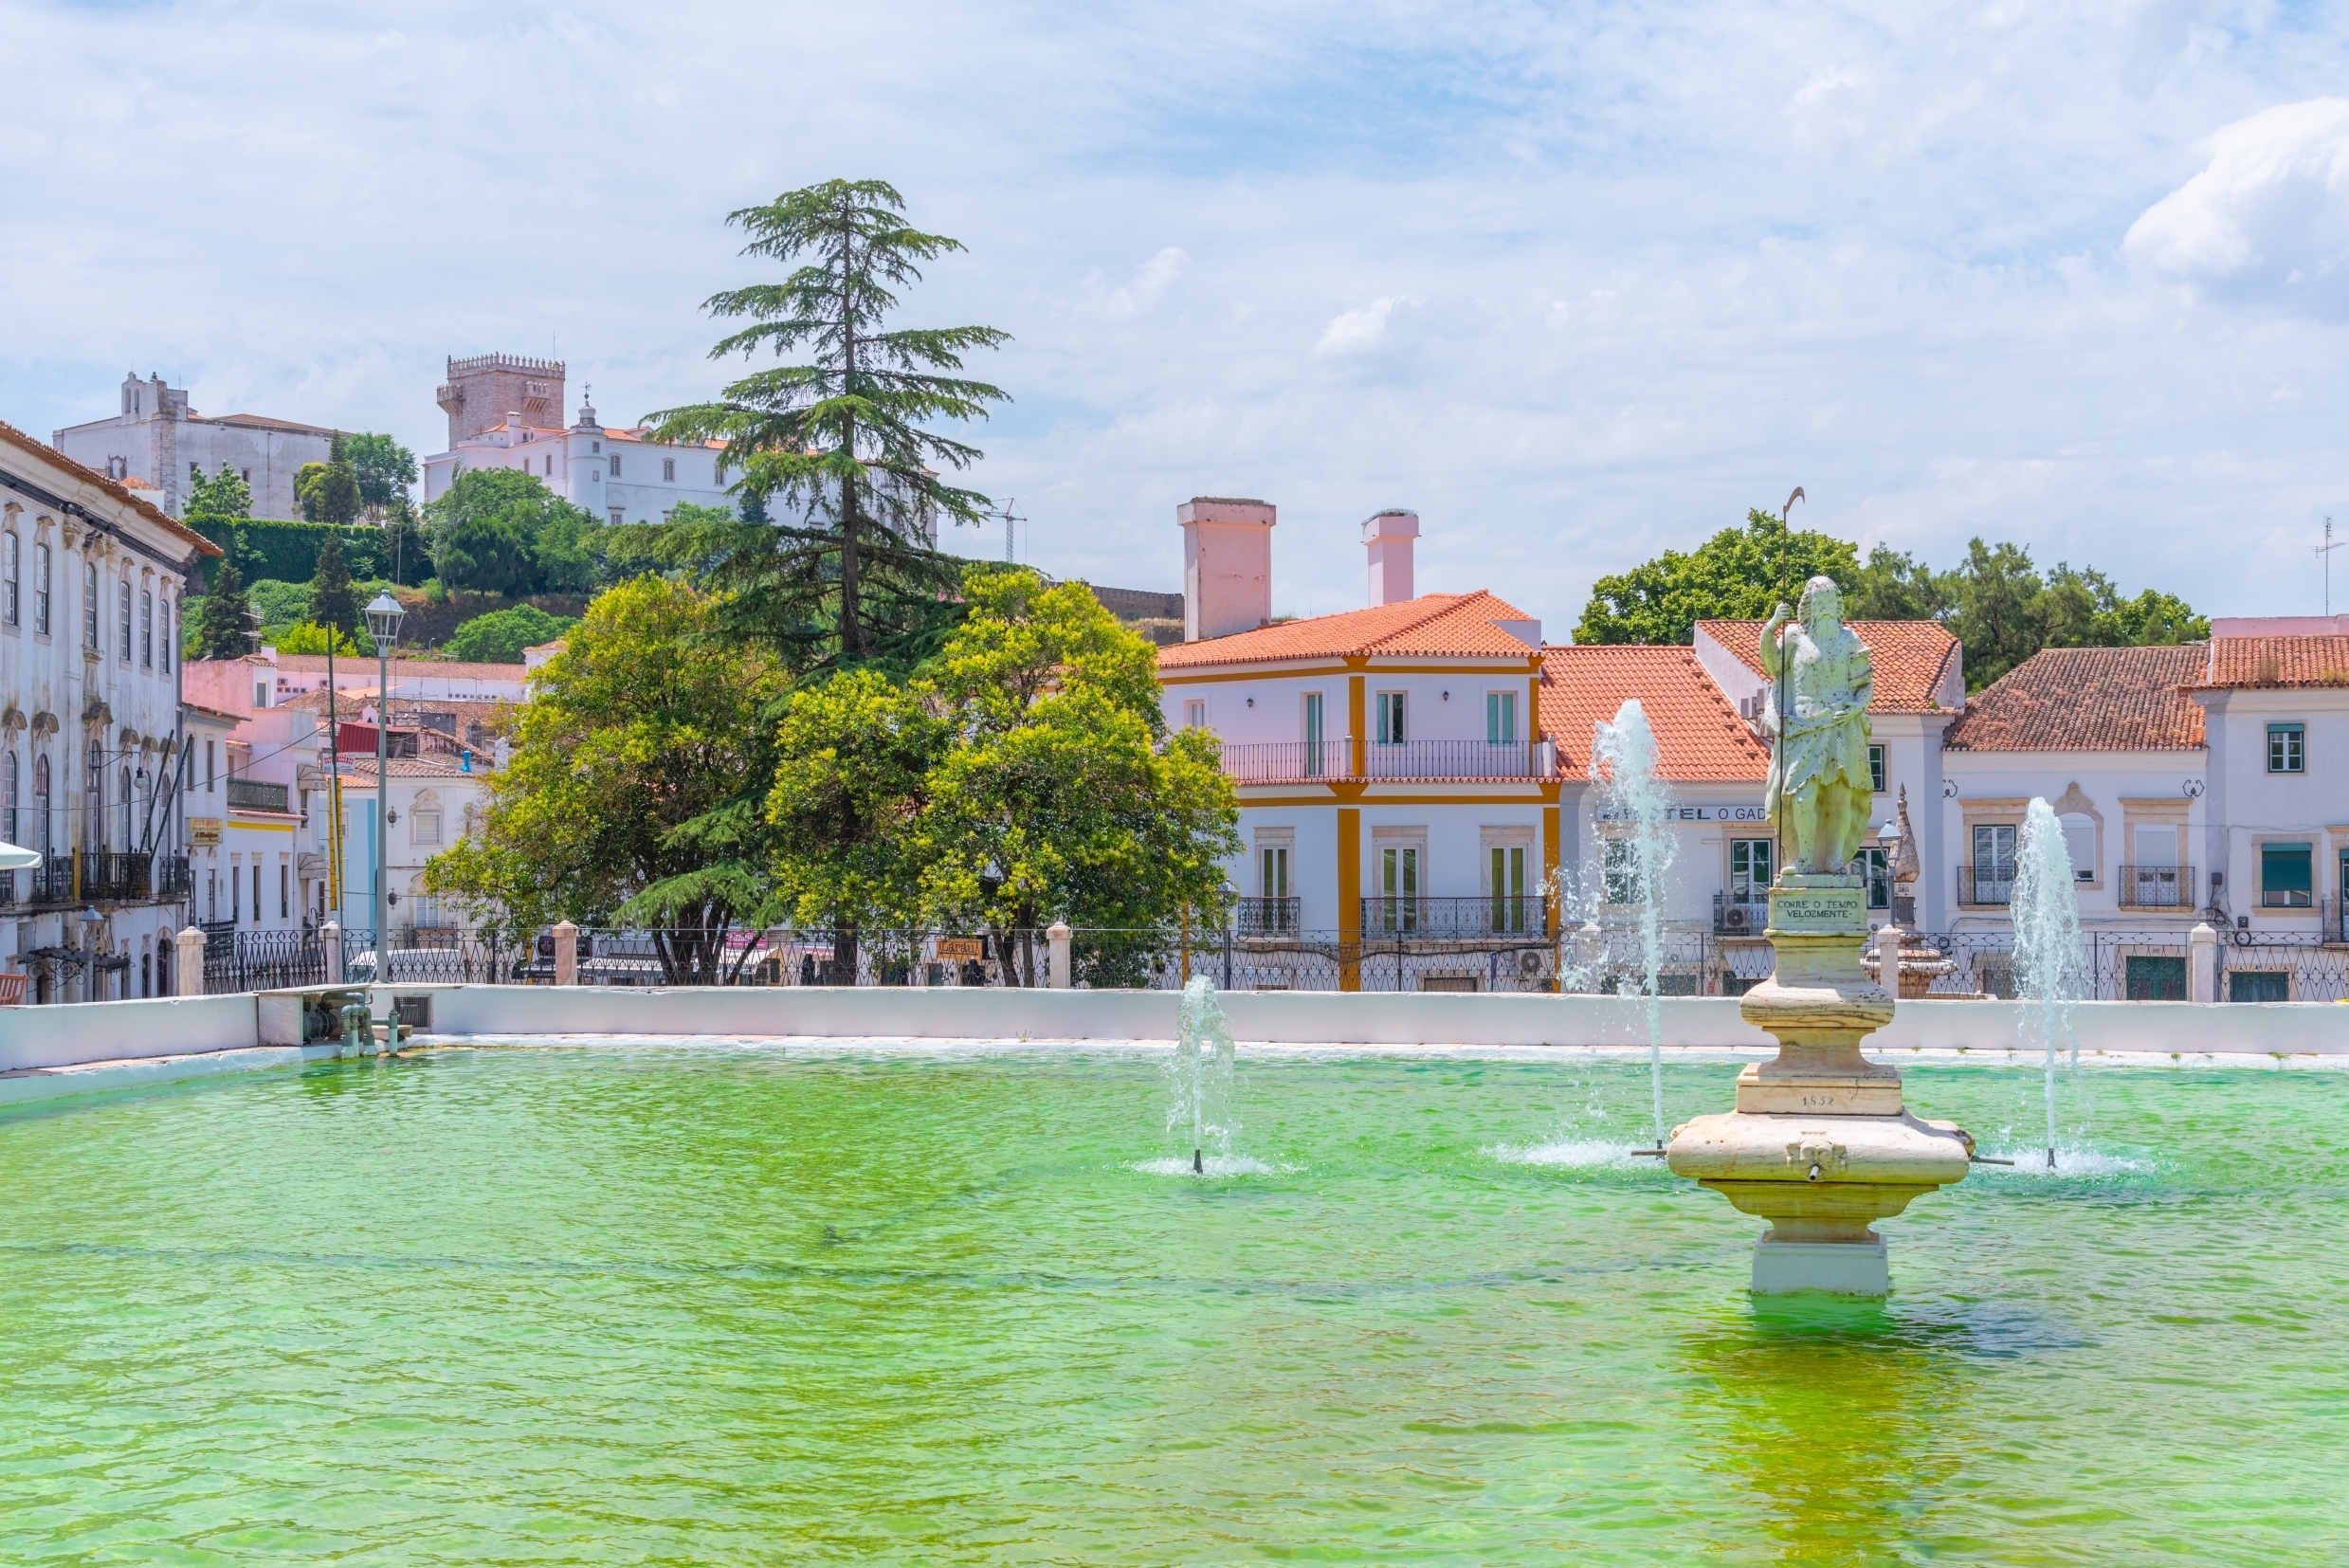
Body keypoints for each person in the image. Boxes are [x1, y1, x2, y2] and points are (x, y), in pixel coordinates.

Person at [1758, 576, 1875, 877]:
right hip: (1803, 728)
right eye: (1818, 601)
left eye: (1828, 602)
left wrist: (1858, 707)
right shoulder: (1795, 637)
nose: (1824, 608)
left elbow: (1865, 685)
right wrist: (1772, 626)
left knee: (1839, 798)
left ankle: (1834, 859)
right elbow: (1772, 666)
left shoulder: (1849, 640)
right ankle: (1805, 858)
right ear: (1808, 606)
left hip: (1841, 726)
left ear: (1837, 605)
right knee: (1802, 796)